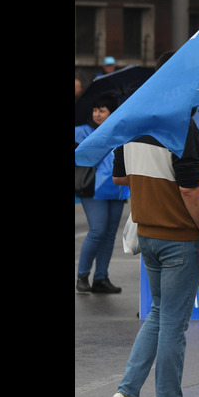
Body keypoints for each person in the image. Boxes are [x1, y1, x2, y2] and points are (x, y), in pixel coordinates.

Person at [108, 116, 199, 397]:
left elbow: (119, 178)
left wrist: (152, 181)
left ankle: (127, 394)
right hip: (179, 237)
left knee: (158, 314)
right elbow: (190, 191)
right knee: (172, 322)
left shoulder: (132, 122)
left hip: (148, 234)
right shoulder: (181, 126)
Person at [75, 94, 129, 294]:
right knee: (97, 231)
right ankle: (82, 276)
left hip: (116, 188)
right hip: (92, 187)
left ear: (111, 112)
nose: (97, 114)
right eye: (95, 110)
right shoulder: (82, 131)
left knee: (108, 236)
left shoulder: (121, 132)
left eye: (102, 110)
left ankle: (101, 278)